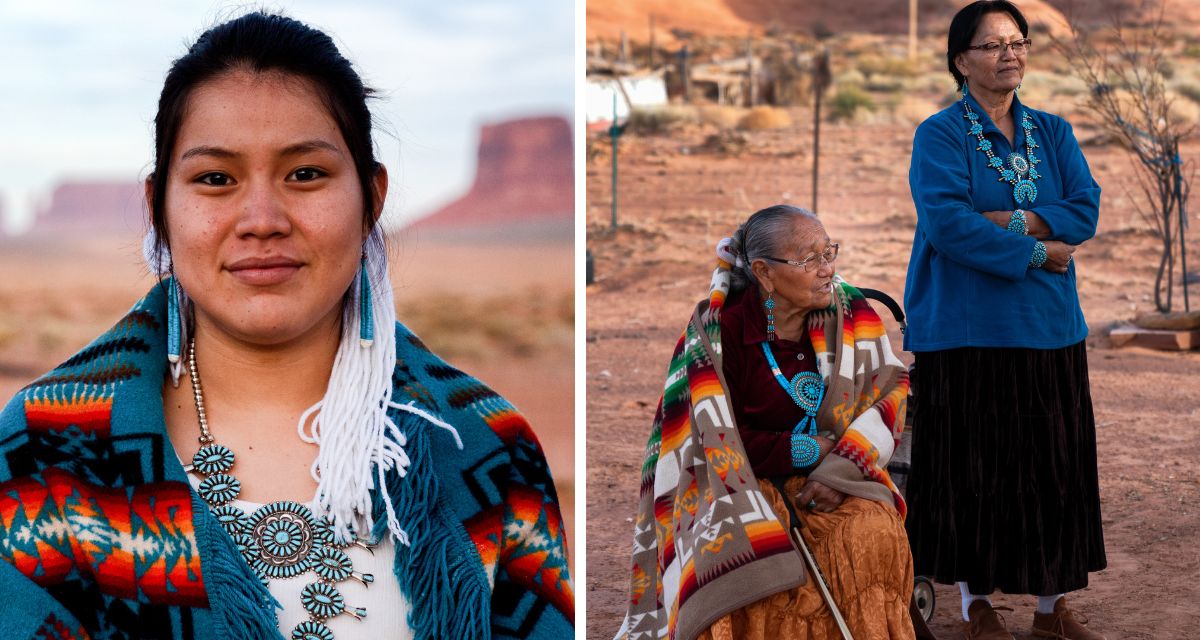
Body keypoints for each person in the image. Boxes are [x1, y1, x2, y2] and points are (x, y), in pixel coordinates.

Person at [0, 12, 573, 640]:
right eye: (215, 179)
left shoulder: (489, 445)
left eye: (305, 174)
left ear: (372, 199)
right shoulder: (43, 454)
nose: (262, 219)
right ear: (159, 208)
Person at [615, 205, 915, 640]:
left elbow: (888, 393)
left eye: (828, 252)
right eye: (809, 259)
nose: (827, 268)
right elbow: (709, 442)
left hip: (839, 476)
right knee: (750, 557)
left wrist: (840, 466)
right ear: (764, 272)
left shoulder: (850, 315)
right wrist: (809, 449)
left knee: (872, 532)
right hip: (734, 482)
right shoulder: (719, 333)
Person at [903, 2, 1106, 639]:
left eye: (1018, 42)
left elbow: (1086, 208)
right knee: (975, 467)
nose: (1009, 54)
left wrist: (1015, 221)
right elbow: (950, 225)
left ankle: (1051, 609)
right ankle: (975, 604)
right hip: (966, 329)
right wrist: (1039, 249)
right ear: (961, 60)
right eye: (992, 45)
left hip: (1048, 326)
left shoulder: (1053, 132)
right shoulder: (939, 135)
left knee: (1051, 465)